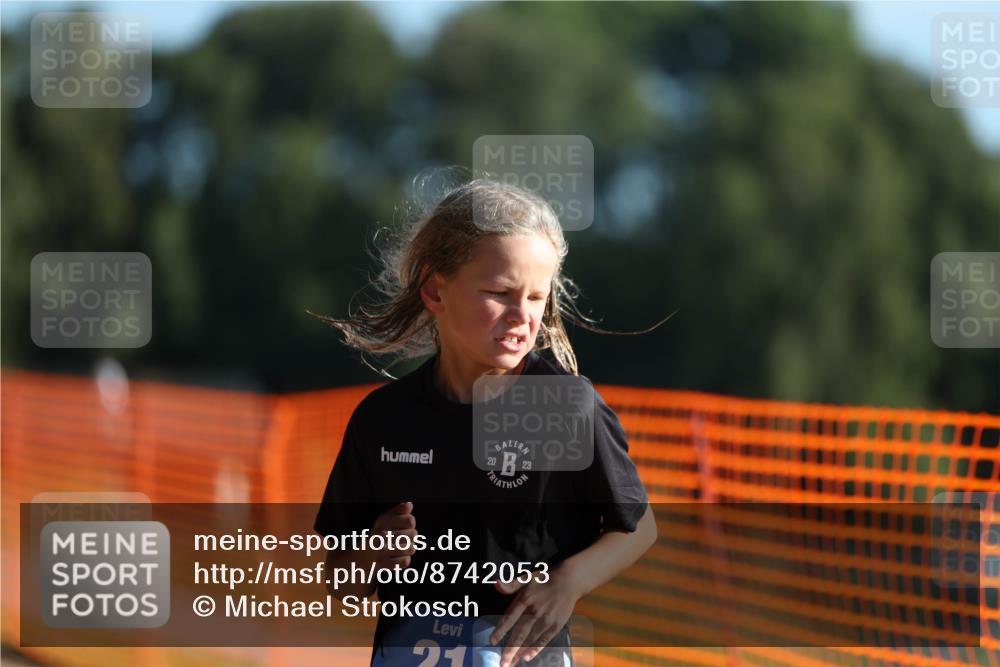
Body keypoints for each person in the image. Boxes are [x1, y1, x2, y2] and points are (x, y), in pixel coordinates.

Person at [312, 178, 661, 667]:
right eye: (500, 292)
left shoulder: (565, 406)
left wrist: (567, 583)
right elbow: (337, 577)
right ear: (435, 289)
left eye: (537, 298)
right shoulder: (383, 419)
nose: (523, 316)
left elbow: (638, 527)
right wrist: (372, 555)